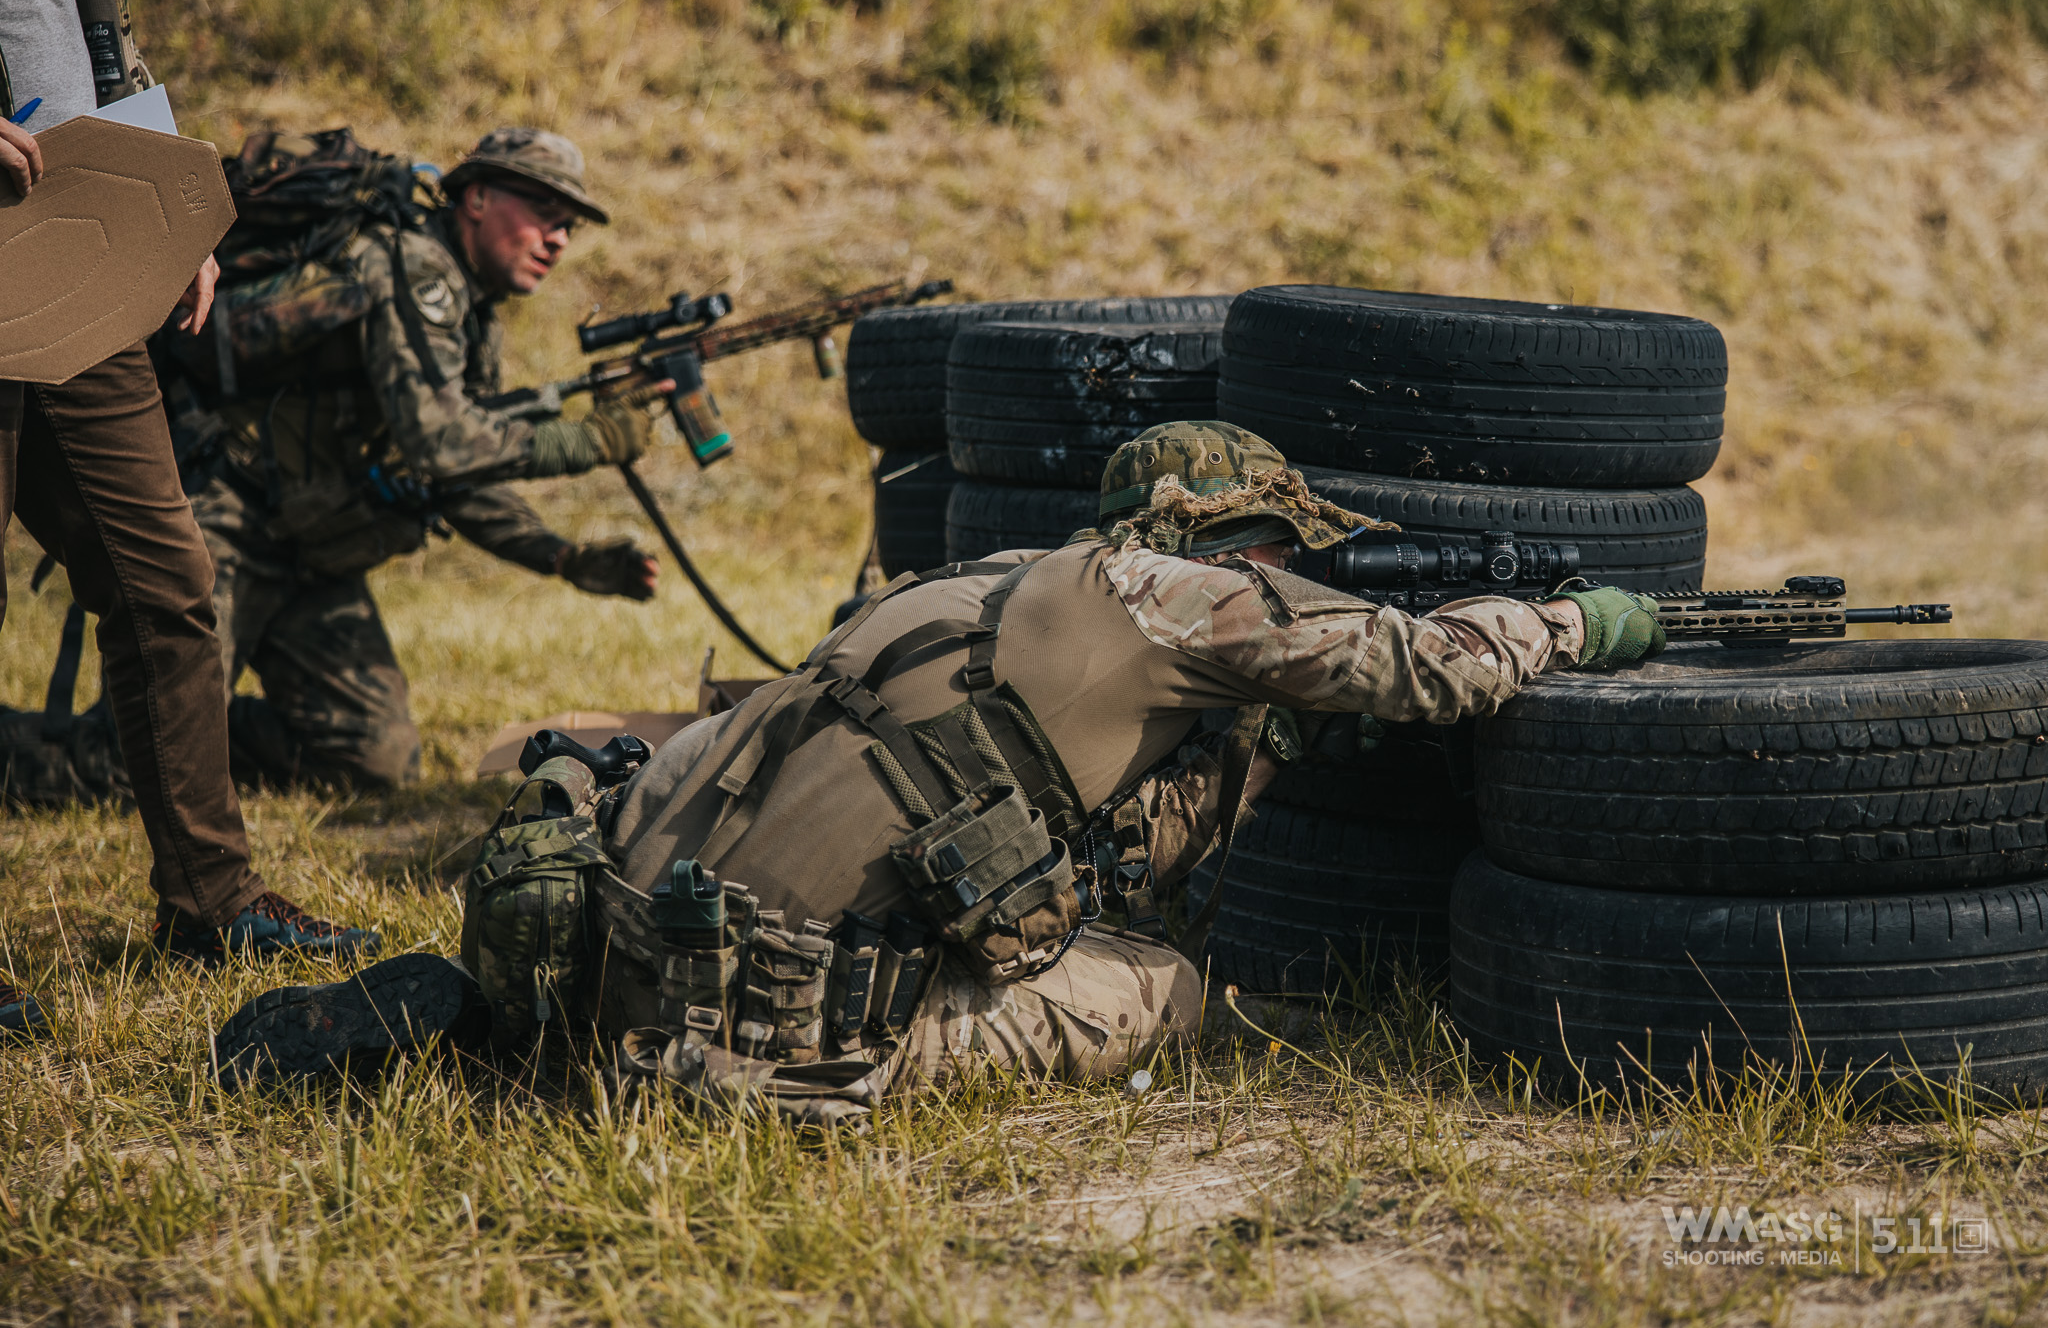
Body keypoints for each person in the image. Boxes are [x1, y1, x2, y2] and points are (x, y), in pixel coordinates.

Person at [220, 421, 1667, 1096]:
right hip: (769, 1025)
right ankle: (723, 1073)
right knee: (1166, 989)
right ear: (1235, 541)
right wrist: (1566, 620)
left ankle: (512, 1034)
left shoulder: (971, 586)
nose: (1294, 578)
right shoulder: (1192, 596)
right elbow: (1428, 666)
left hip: (600, 937)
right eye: (1285, 551)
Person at [10, 127, 666, 798]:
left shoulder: (469, 315)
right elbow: (443, 442)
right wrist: (589, 441)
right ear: (476, 196)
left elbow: (445, 480)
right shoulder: (414, 269)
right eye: (543, 213)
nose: (557, 238)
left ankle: (198, 733)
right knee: (120, 770)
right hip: (229, 519)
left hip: (308, 552)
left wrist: (561, 557)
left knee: (372, 760)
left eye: (568, 227)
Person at [0, 0, 377, 1038]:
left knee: (167, 583)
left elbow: (99, 43)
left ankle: (210, 900)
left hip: (77, 258)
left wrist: (169, 207)